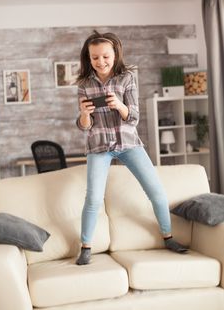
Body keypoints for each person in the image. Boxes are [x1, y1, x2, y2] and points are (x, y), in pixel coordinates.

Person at [75, 30, 188, 265]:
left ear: (115, 54)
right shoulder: (84, 85)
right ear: (89, 58)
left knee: (156, 190)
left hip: (129, 144)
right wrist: (84, 114)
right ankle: (85, 247)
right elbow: (85, 127)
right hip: (99, 147)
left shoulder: (126, 78)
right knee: (94, 198)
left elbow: (134, 118)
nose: (100, 62)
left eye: (105, 56)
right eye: (95, 57)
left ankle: (168, 237)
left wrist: (119, 105)